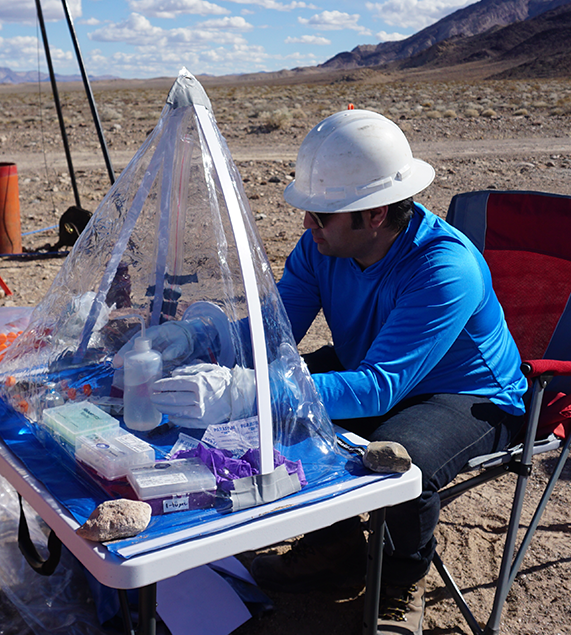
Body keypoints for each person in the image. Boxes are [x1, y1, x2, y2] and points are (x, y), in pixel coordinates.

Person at [140, 109, 528, 634]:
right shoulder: (320, 249)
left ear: (374, 214)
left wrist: (252, 392)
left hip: (466, 395)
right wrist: (202, 338)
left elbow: (379, 389)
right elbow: (274, 336)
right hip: (373, 367)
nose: (308, 224)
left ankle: (400, 580)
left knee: (396, 456)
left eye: (323, 215)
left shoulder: (443, 267)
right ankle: (336, 543)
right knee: (282, 405)